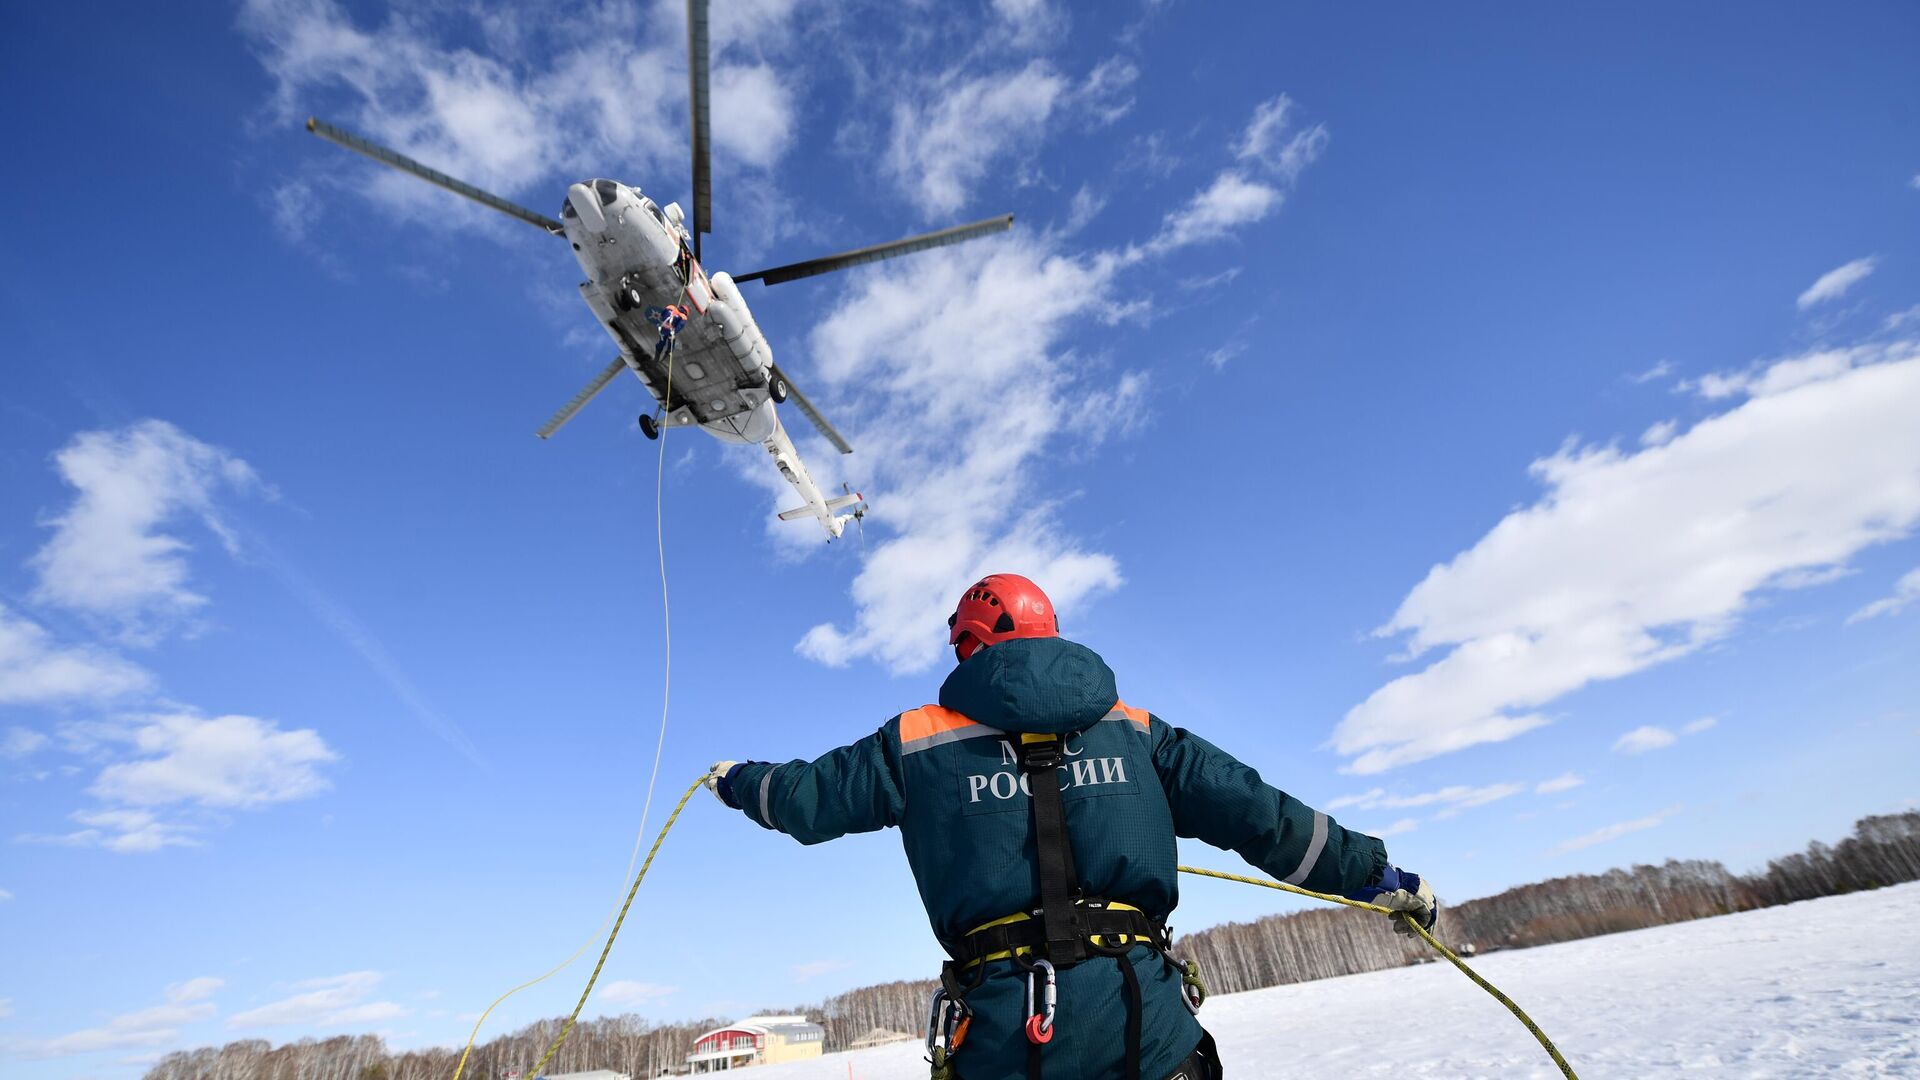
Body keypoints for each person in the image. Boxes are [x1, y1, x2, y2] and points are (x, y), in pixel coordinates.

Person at [706, 574, 1438, 1080]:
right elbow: (1263, 815)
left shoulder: (914, 742)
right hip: (1146, 1030)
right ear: (1051, 633)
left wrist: (737, 780)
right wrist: (1373, 875)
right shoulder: (1139, 732)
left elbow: (803, 800)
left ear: (968, 645)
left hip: (1005, 1036)